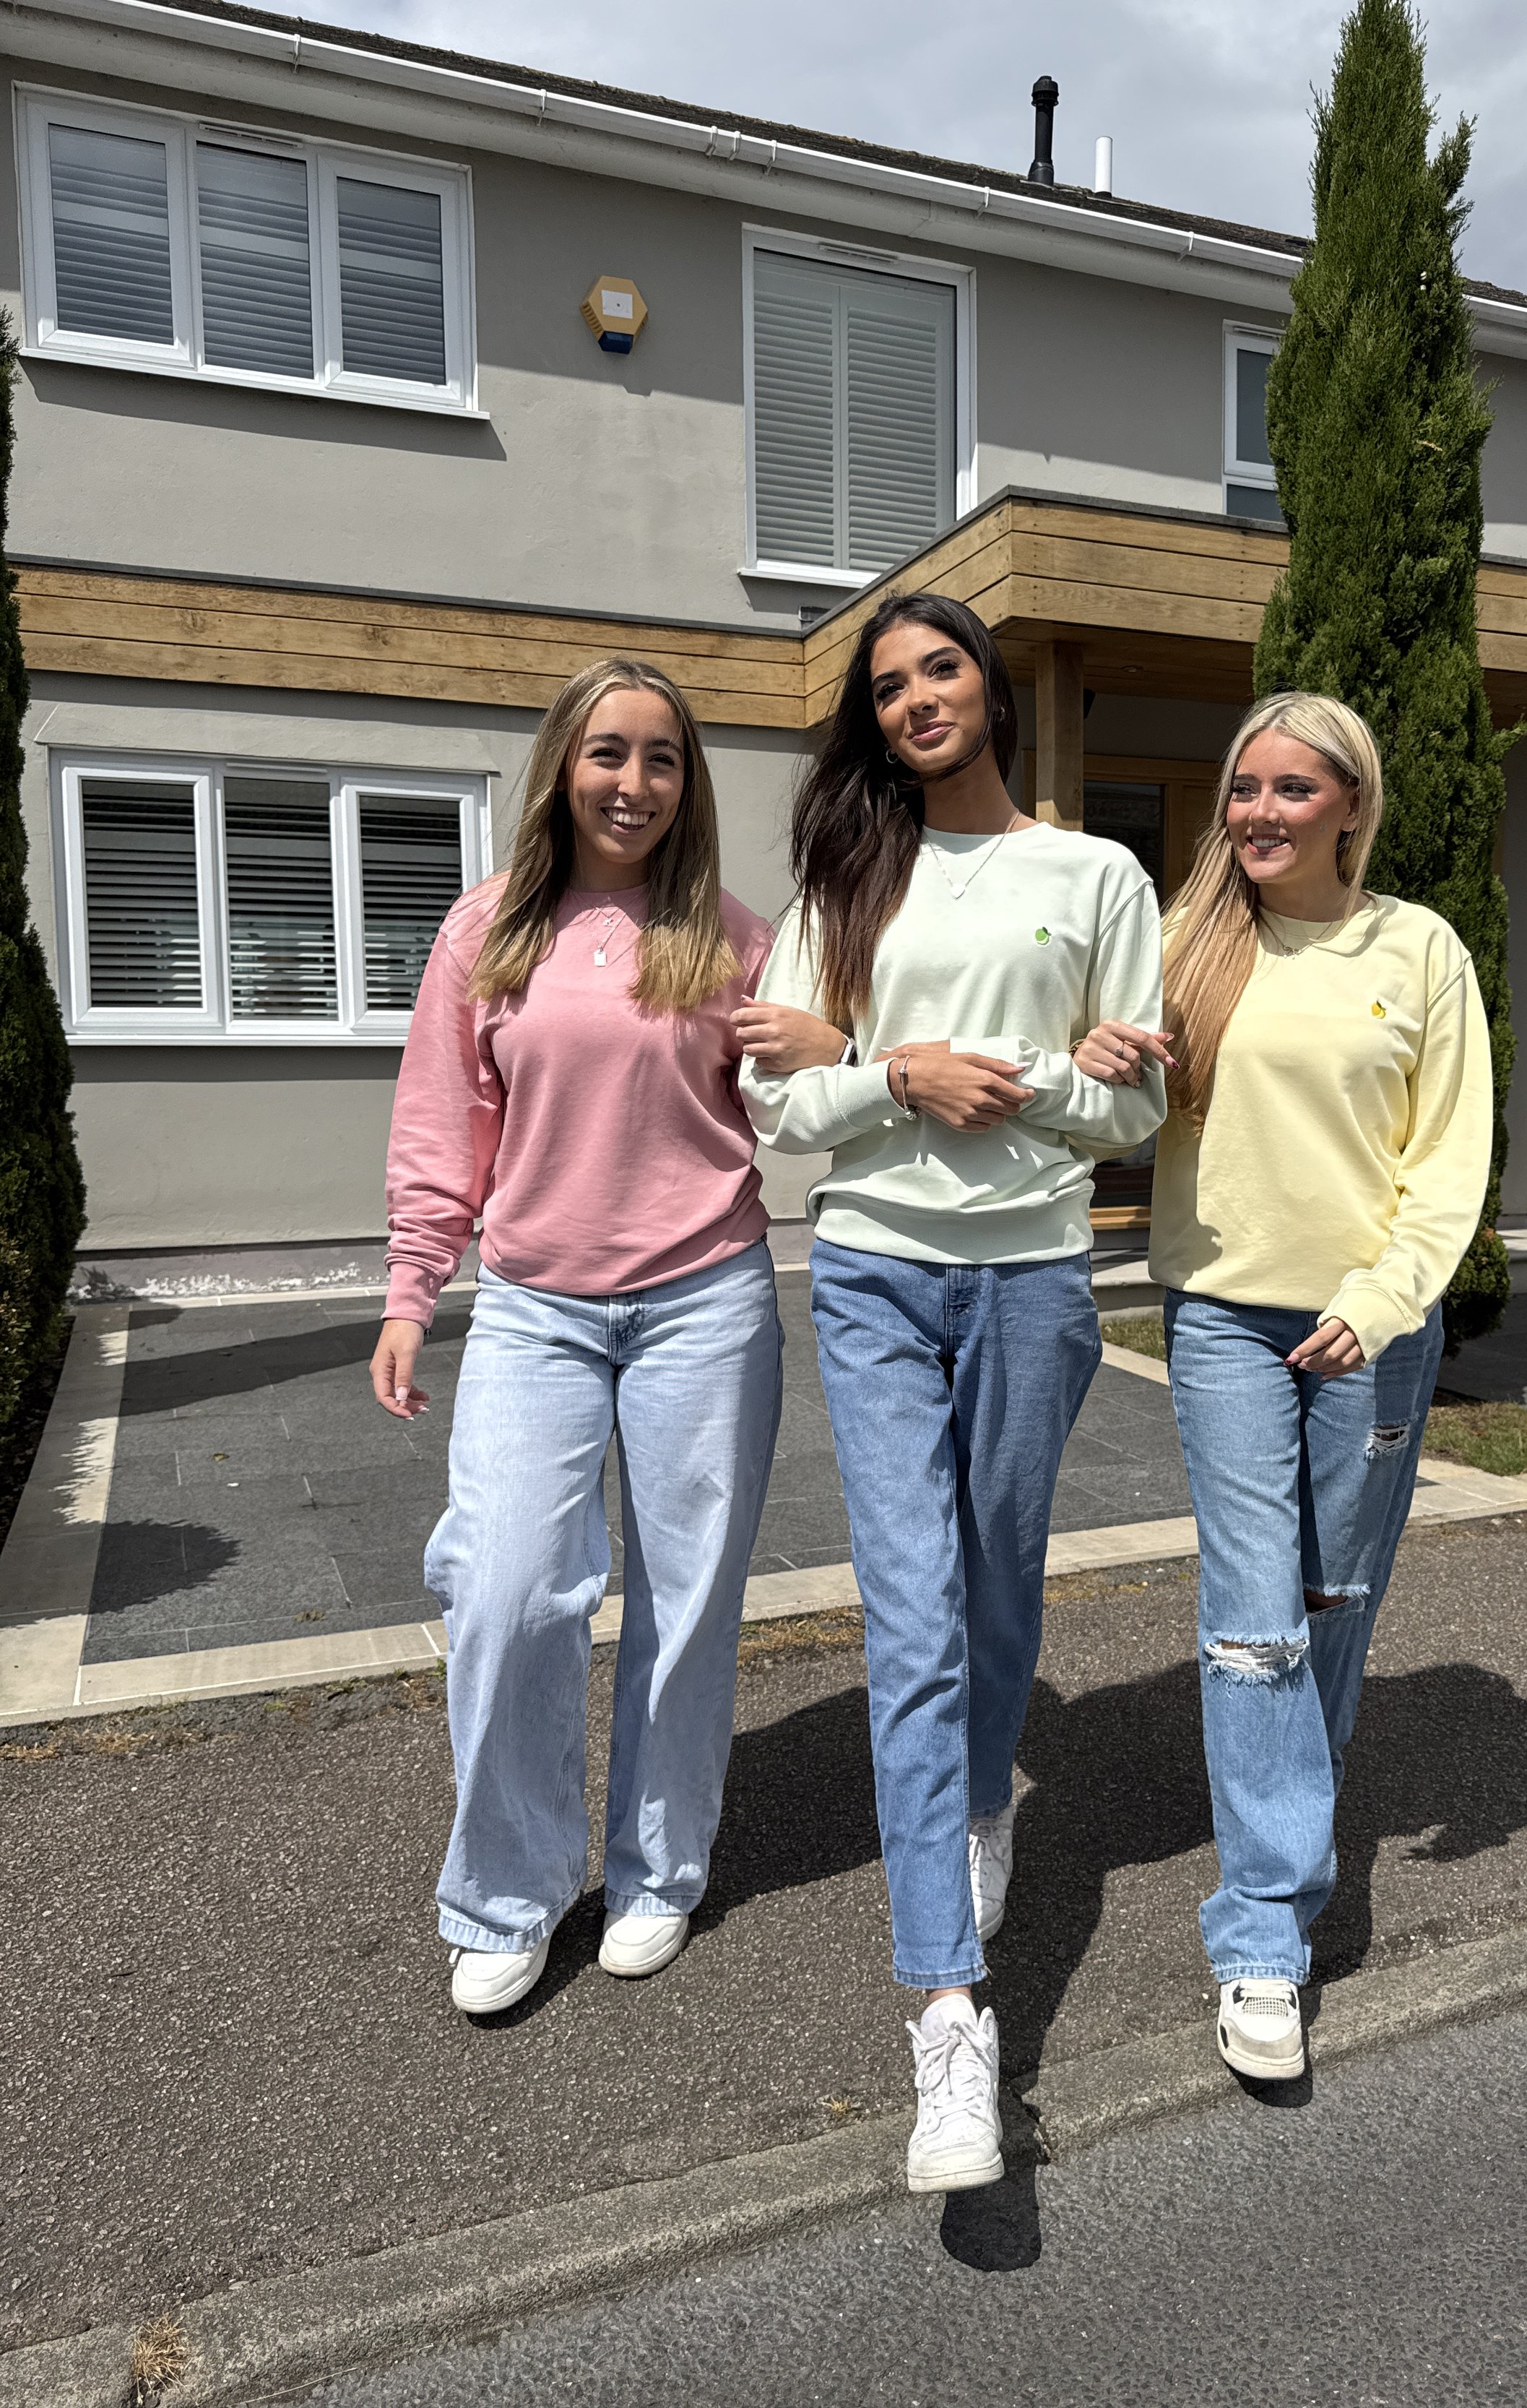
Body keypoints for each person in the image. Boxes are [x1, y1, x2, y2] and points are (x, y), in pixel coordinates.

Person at [736, 592, 1167, 2193]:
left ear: (987, 684)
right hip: (867, 1273)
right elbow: (779, 1096)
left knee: (996, 1589)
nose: (917, 696)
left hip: (1034, 1285)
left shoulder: (1094, 875)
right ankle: (947, 2022)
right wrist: (892, 1073)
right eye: (888, 684)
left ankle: (987, 1787)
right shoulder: (845, 875)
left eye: (939, 668)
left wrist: (1034, 1078)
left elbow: (1134, 1110)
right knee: (906, 1619)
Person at [1083, 690, 1492, 2083]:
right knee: (1254, 1615)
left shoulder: (1418, 946)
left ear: (1351, 807)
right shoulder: (1192, 944)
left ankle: (1283, 1839)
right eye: (1244, 786)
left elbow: (1448, 1161)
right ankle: (1266, 1931)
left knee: (1332, 1606)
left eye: (1292, 789)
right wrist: (1101, 1070)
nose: (1258, 810)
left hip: (1368, 1327)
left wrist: (1376, 1305)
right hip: (1221, 1321)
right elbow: (1136, 1121)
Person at [370, 659, 783, 2017]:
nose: (635, 783)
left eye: (663, 759)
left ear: (688, 782)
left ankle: (659, 1870)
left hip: (705, 1300)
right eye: (610, 753)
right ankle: (508, 1887)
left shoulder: (731, 937)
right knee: (503, 1590)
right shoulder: (487, 928)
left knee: (686, 1607)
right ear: (564, 763)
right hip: (538, 1307)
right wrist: (411, 1288)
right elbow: (446, 1126)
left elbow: (803, 1099)